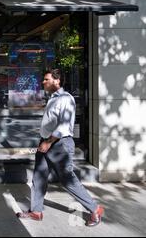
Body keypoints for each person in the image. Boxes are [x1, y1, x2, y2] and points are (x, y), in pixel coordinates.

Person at [17, 69, 104, 227]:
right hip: (46, 141)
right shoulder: (53, 98)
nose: (43, 82)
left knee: (68, 180)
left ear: (57, 81)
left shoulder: (65, 98)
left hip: (58, 144)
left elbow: (63, 126)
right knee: (38, 177)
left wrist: (48, 142)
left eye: (46, 79)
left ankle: (95, 209)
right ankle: (36, 211)